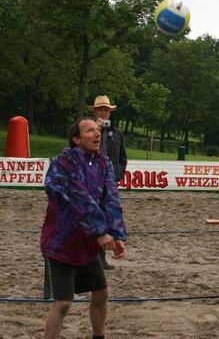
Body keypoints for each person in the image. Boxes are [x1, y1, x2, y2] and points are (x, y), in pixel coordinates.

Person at [41, 117, 128, 339]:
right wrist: (100, 231)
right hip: (62, 242)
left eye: (98, 130)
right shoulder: (64, 162)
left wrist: (117, 234)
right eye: (90, 131)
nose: (97, 134)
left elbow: (111, 198)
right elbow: (76, 197)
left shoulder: (103, 163)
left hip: (87, 244)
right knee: (63, 302)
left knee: (101, 293)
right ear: (76, 139)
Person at [91, 95, 127, 270]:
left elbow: (122, 158)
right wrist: (95, 128)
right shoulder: (87, 130)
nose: (104, 112)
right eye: (100, 109)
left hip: (109, 181)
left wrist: (117, 175)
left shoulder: (117, 133)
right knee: (91, 216)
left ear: (110, 112)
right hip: (90, 180)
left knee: (107, 217)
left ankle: (102, 257)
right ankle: (92, 256)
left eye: (106, 109)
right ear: (95, 111)